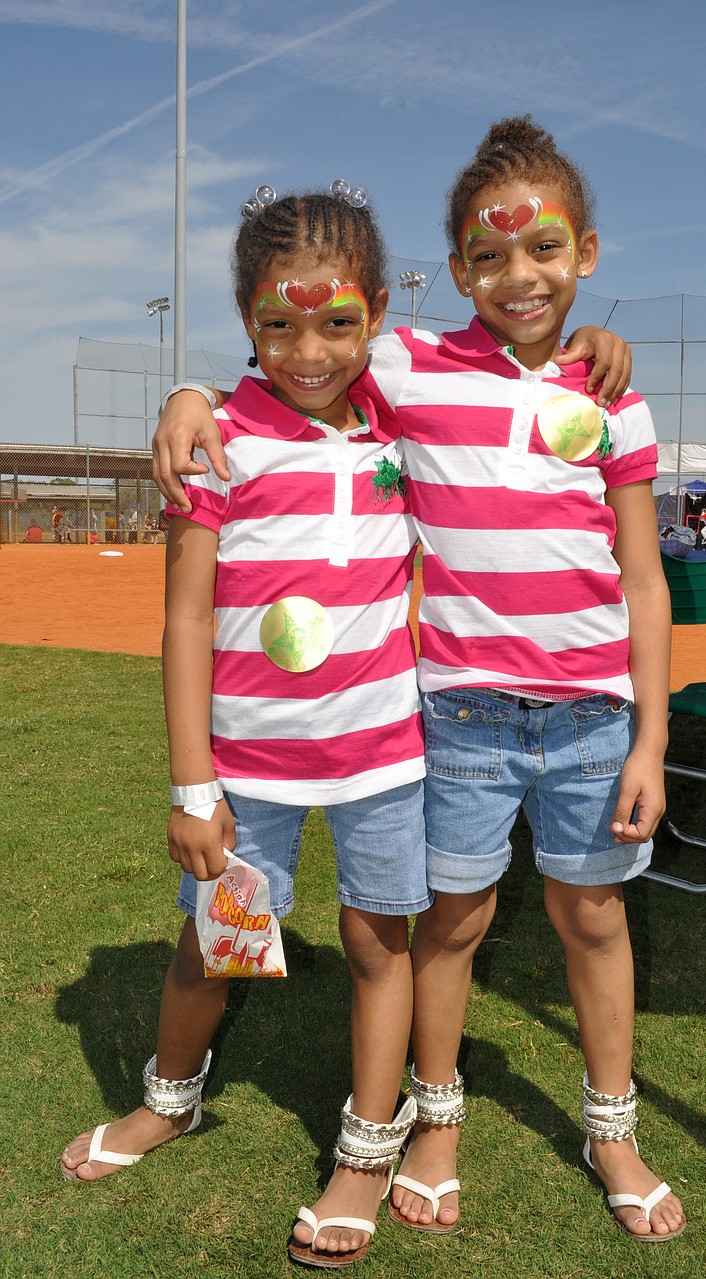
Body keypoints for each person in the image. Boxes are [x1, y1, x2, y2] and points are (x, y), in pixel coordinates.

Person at [152, 116, 685, 1244]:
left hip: (593, 720)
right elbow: (301, 339)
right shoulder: (411, 363)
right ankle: (430, 1122)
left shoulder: (614, 393)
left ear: (583, 252)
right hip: (456, 714)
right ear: (451, 275)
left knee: (592, 918)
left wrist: (650, 737)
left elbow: (643, 578)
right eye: (487, 257)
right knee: (448, 926)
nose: (516, 275)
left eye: (541, 250)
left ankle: (612, 1127)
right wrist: (190, 392)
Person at [62, 187, 436, 1270]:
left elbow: (490, 355)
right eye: (277, 324)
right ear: (245, 324)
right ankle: (169, 1102)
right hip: (247, 773)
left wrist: (592, 340)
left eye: (336, 322)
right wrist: (193, 785)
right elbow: (183, 617)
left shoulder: (403, 422)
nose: (308, 349)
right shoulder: (220, 441)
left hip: (382, 756)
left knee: (378, 943)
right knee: (215, 946)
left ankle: (368, 1147)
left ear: (373, 315)